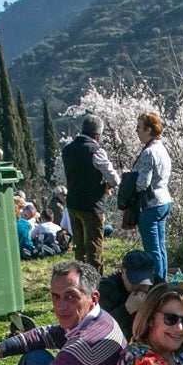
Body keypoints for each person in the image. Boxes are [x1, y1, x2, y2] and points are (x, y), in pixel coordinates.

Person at [61, 115, 117, 271]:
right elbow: (114, 178)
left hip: (72, 204)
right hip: (92, 206)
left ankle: (79, 279)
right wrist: (106, 185)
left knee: (79, 247)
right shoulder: (95, 151)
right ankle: (95, 282)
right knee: (93, 248)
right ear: (97, 135)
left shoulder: (67, 150)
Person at [132, 111, 173, 281]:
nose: (137, 131)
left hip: (150, 204)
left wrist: (128, 181)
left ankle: (157, 284)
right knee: (160, 247)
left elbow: (143, 182)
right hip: (164, 200)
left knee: (152, 248)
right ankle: (162, 281)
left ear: (148, 130)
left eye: (139, 127)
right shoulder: (162, 148)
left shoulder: (149, 152)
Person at [97, 248, 159, 338]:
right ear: (122, 270)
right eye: (134, 281)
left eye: (144, 283)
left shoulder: (156, 284)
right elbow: (99, 326)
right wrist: (127, 309)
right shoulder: (107, 288)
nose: (138, 286)